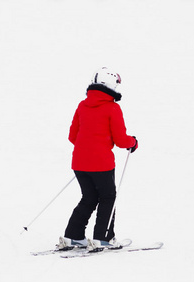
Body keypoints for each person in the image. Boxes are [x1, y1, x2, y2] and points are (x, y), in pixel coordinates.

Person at [58, 67, 138, 251]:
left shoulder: (82, 105)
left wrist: (87, 146)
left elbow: (73, 136)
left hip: (79, 163)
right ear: (111, 84)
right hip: (101, 164)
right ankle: (104, 238)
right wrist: (132, 142)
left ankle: (73, 236)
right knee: (108, 197)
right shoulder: (112, 108)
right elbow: (120, 140)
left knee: (88, 197)